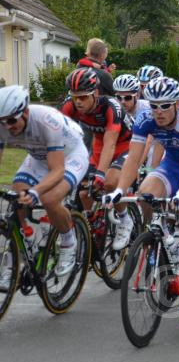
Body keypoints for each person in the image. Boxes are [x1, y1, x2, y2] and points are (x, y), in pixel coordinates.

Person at [104, 77, 179, 320]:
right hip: (172, 167)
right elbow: (133, 160)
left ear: (177, 103)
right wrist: (120, 191)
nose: (159, 111)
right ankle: (160, 236)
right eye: (154, 105)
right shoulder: (144, 120)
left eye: (165, 106)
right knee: (145, 195)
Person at [0, 85, 89, 283]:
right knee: (16, 194)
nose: (7, 127)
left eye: (12, 121)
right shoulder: (4, 124)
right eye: (2, 122)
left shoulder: (47, 121)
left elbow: (57, 170)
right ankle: (25, 241)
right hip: (38, 158)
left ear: (25, 111)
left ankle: (68, 242)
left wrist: (36, 192)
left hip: (70, 157)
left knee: (49, 198)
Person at [61, 68, 134, 246]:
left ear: (95, 93)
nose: (78, 101)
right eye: (74, 96)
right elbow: (58, 136)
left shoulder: (110, 106)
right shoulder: (70, 105)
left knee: (109, 182)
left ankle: (125, 220)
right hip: (100, 146)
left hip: (126, 144)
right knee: (85, 192)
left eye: (83, 97)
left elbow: (111, 142)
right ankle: (93, 222)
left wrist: (101, 174)